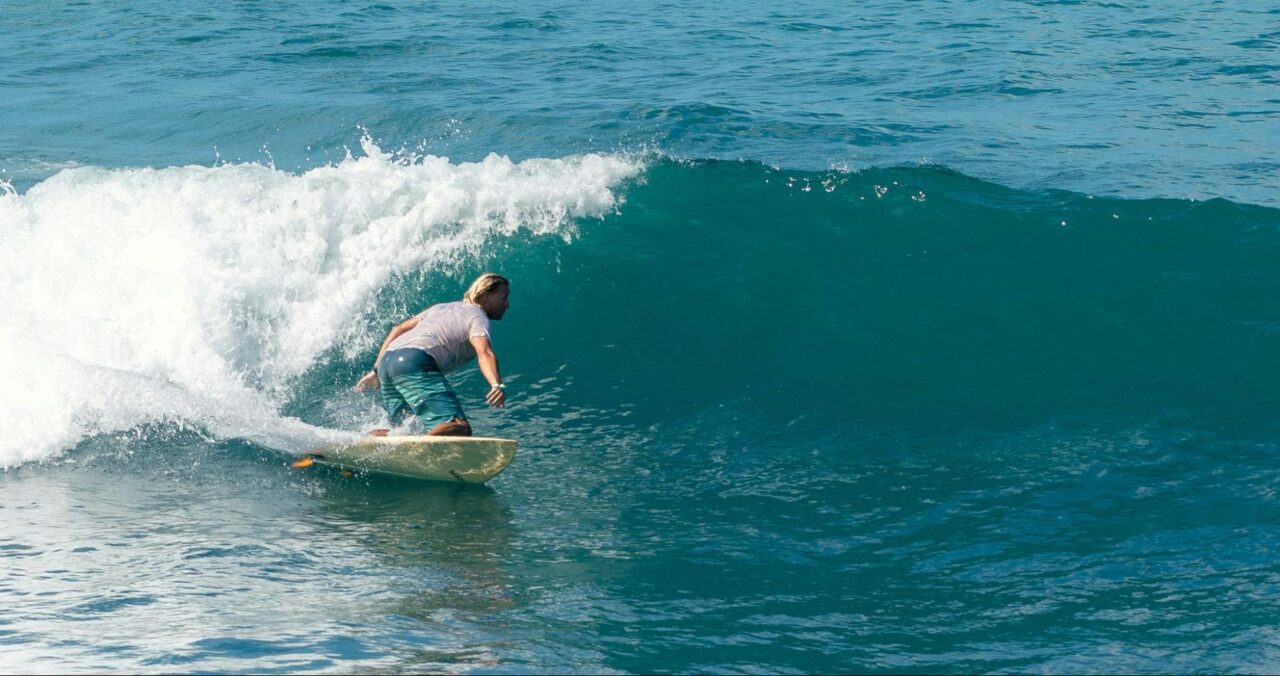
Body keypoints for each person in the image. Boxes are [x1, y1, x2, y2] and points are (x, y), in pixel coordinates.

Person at [354, 273, 510, 436]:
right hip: (414, 362)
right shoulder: (478, 316)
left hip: (387, 361)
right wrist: (496, 384)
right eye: (503, 298)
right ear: (485, 296)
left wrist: (375, 370)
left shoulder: (441, 308)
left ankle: (360, 442)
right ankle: (417, 448)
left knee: (401, 433)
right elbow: (484, 351)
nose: (507, 305)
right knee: (459, 427)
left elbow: (398, 329)